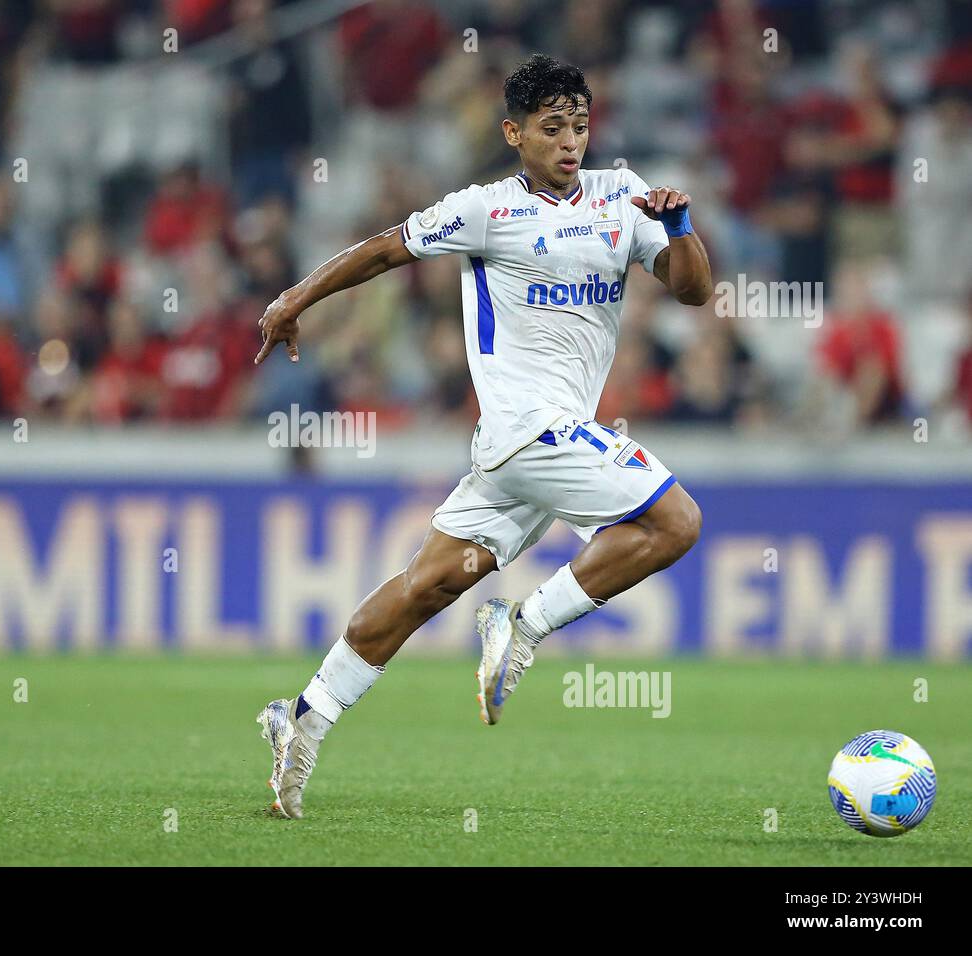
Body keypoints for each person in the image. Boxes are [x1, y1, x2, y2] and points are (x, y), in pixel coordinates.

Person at [252, 54, 712, 819]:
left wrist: (680, 227)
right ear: (514, 133)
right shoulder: (485, 209)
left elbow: (694, 290)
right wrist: (294, 299)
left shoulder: (624, 196)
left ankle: (302, 716)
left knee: (425, 587)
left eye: (581, 126)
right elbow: (384, 250)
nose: (571, 142)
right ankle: (523, 624)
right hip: (527, 431)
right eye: (552, 127)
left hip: (536, 450)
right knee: (676, 522)